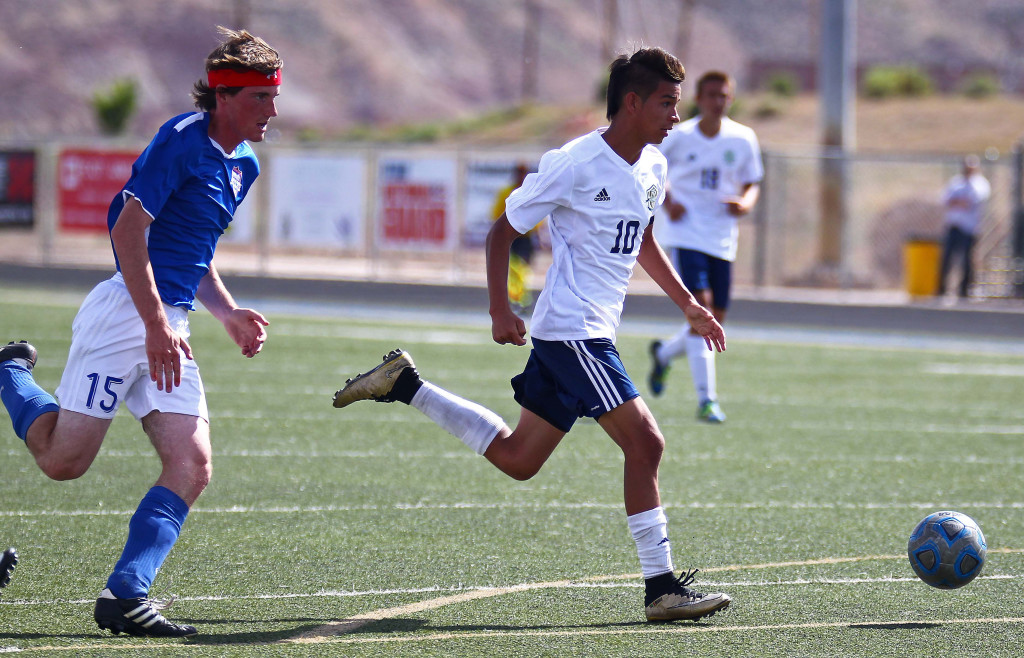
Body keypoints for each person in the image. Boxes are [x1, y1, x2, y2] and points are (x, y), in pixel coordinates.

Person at [333, 47, 732, 623]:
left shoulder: (652, 166)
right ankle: (661, 586)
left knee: (519, 459)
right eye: (668, 103)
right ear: (632, 102)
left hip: (585, 333)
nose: (676, 115)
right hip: (574, 333)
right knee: (646, 444)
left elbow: (641, 240)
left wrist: (689, 306)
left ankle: (405, 385)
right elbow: (502, 233)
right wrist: (501, 308)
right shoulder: (574, 162)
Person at [0, 26, 281, 637]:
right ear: (224, 96)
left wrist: (228, 312)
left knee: (192, 464)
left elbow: (192, 248)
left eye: (275, 95)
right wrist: (155, 324)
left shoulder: (246, 165)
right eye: (261, 97)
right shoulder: (181, 139)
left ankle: (125, 594)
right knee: (62, 462)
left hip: (167, 321)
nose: (272, 110)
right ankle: (9, 372)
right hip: (127, 314)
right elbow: (128, 232)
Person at [647, 70, 762, 423]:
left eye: (723, 95)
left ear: (731, 99)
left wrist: (745, 204)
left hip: (722, 237)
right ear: (699, 98)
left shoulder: (743, 138)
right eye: (710, 95)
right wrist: (668, 200)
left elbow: (752, 182)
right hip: (685, 234)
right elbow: (650, 167)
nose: (717, 101)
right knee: (702, 310)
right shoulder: (679, 136)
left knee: (716, 319)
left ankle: (665, 354)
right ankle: (706, 400)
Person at [938, 154, 990, 298]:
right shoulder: (956, 182)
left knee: (967, 260)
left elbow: (970, 202)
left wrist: (958, 201)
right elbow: (946, 200)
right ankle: (941, 288)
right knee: (947, 257)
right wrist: (958, 202)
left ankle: (964, 290)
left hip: (969, 227)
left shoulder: (979, 183)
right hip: (954, 225)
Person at [491, 162, 538, 308]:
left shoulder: (532, 192)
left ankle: (521, 299)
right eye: (519, 173)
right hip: (511, 237)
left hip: (525, 237)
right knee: (513, 269)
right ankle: (516, 299)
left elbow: (538, 216)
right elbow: (496, 213)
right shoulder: (507, 192)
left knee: (523, 269)